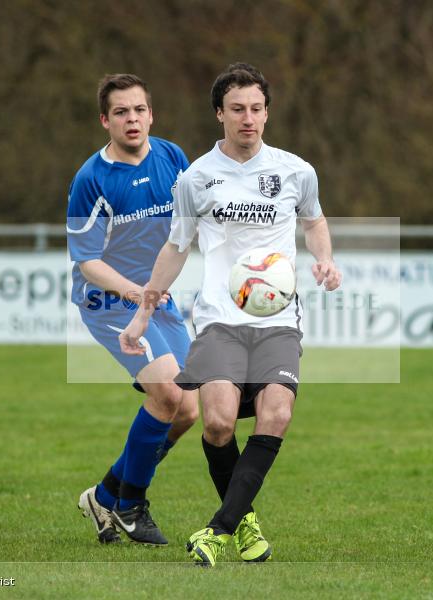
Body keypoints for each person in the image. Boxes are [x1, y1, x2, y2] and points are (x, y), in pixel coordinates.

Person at [120, 63, 342, 566]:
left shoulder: (295, 170)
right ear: (220, 113)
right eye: (238, 109)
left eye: (257, 109)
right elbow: (176, 248)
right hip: (220, 318)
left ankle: (218, 530)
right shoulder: (196, 177)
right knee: (218, 425)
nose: (249, 119)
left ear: (268, 113)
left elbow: (315, 221)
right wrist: (142, 315)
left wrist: (325, 258)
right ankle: (243, 525)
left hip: (278, 320)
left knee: (277, 414)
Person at [68, 74, 199, 546]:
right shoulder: (92, 179)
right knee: (166, 393)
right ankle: (130, 506)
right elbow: (86, 261)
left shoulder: (172, 158)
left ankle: (105, 494)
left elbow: (190, 224)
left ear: (151, 114)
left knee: (187, 410)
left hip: (156, 299)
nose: (132, 119)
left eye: (139, 109)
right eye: (121, 112)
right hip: (108, 302)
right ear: (105, 120)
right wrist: (136, 294)